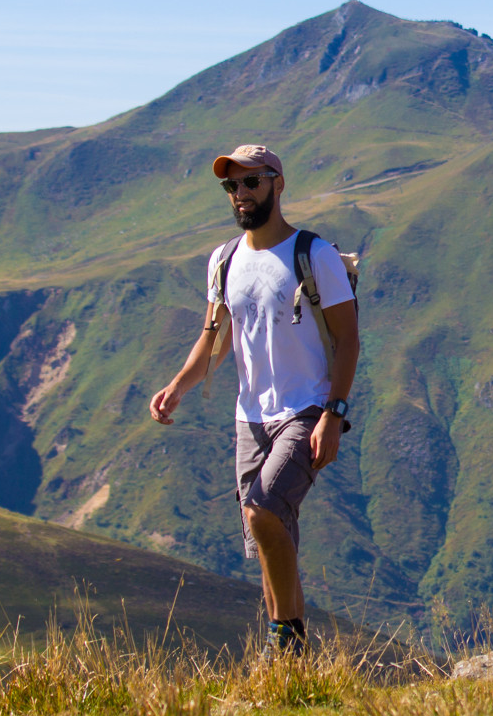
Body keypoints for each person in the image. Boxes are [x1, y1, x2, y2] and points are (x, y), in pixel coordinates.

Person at [147, 144, 360, 656]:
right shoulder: (223, 260)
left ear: (277, 184)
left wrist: (334, 413)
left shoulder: (315, 255)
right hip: (250, 418)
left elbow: (349, 338)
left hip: (305, 410)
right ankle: (290, 661)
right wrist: (177, 386)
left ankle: (283, 639)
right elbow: (215, 338)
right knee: (267, 536)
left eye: (251, 182)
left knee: (263, 510)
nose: (241, 194)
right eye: (231, 186)